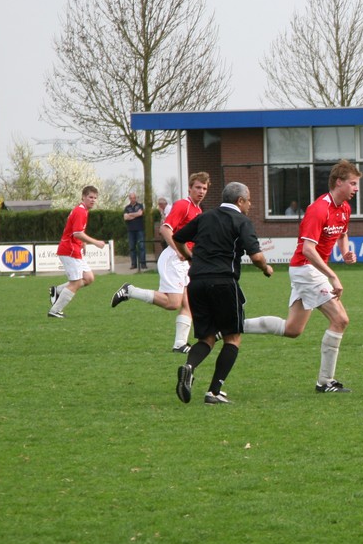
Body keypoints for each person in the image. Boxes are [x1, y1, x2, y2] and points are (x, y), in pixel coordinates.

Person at [242, 160, 361, 393]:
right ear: (339, 182)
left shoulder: (344, 208)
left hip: (309, 270)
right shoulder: (319, 209)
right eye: (353, 183)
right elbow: (307, 249)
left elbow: (342, 234)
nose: (356, 189)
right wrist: (333, 276)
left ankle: (232, 325)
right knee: (340, 320)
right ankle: (325, 382)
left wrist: (345, 251)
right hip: (306, 269)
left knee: (293, 329)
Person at [172, 182, 273, 405]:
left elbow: (178, 238)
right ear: (240, 201)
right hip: (223, 283)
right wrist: (266, 268)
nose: (250, 204)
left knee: (207, 338)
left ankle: (189, 366)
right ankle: (214, 392)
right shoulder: (242, 221)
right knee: (232, 338)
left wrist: (190, 257)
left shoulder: (205, 217)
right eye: (248, 200)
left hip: (196, 283)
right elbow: (256, 256)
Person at [111, 172, 210, 352]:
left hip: (183, 260)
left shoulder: (198, 210)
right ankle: (130, 291)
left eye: (204, 188)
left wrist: (192, 257)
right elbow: (165, 229)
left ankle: (180, 344)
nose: (201, 191)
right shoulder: (183, 205)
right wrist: (178, 250)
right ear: (189, 188)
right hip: (173, 258)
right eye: (197, 187)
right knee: (173, 303)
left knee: (189, 302)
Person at [47, 186, 106, 318]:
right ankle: (55, 311)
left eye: (95, 198)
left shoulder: (83, 210)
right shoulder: (80, 211)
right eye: (90, 197)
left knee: (89, 278)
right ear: (83, 197)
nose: (93, 200)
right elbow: (77, 233)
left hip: (75, 248)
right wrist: (95, 242)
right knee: (76, 283)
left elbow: (77, 231)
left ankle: (57, 290)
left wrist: (83, 242)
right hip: (69, 250)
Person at [123, 191, 147, 270]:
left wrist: (130, 214)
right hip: (130, 230)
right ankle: (134, 264)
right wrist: (136, 214)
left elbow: (140, 214)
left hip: (139, 229)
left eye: (134, 198)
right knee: (132, 247)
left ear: (136, 198)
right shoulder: (127, 208)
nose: (133, 199)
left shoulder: (140, 206)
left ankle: (143, 264)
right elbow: (125, 217)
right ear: (129, 199)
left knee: (142, 246)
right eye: (131, 198)